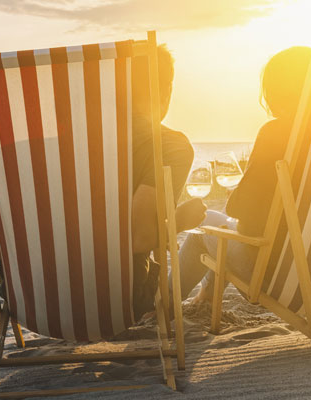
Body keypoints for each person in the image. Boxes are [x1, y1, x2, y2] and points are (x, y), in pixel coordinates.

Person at [173, 46, 311, 303]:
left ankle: (163, 305)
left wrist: (238, 196)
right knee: (215, 220)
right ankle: (206, 297)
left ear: (275, 91)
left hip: (281, 277)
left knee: (204, 230)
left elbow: (244, 216)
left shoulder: (277, 133)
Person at [129, 45, 206, 319]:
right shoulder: (169, 145)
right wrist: (180, 221)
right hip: (122, 296)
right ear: (167, 91)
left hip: (31, 299)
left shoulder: (62, 143)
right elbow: (140, 238)